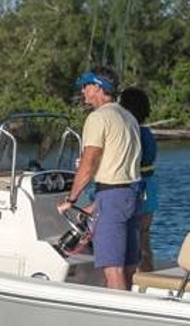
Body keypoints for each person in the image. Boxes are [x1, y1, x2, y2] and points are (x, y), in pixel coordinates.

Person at [58, 67, 142, 290]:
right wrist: (94, 206)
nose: (83, 92)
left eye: (86, 86)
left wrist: (71, 198)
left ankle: (121, 321)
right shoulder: (129, 117)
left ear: (97, 87)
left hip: (112, 197)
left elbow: (89, 163)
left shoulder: (98, 118)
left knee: (112, 268)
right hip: (132, 195)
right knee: (128, 265)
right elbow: (120, 167)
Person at [118, 87, 158, 273]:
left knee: (133, 237)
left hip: (138, 188)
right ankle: (147, 275)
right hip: (150, 188)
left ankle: (137, 277)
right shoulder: (147, 133)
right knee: (144, 236)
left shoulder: (133, 133)